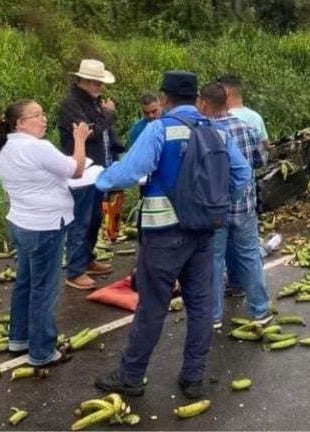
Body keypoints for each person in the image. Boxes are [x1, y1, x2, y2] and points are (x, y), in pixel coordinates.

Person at [92, 71, 251, 399]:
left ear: (164, 99)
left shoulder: (159, 129)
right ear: (196, 98)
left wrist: (100, 182)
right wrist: (218, 205)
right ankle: (193, 377)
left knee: (152, 305)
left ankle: (131, 375)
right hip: (204, 231)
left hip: (164, 234)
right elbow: (242, 173)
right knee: (201, 302)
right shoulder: (217, 131)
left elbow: (129, 172)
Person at [0, 99, 90, 367]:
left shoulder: (4, 147)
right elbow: (76, 169)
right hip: (46, 226)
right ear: (20, 123)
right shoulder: (37, 147)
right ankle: (43, 352)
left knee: (25, 283)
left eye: (43, 114)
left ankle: (19, 339)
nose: (43, 119)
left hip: (21, 223)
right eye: (36, 115)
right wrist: (80, 139)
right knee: (44, 289)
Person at [198, 83, 273, 329]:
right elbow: (261, 161)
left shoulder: (203, 132)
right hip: (245, 206)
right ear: (227, 101)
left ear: (204, 103)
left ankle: (214, 317)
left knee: (215, 260)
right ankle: (261, 312)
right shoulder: (247, 128)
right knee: (250, 256)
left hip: (215, 209)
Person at [58, 59, 124, 290]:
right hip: (82, 172)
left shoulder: (94, 103)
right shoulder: (71, 105)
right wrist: (108, 114)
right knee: (81, 220)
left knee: (95, 218)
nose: (100, 88)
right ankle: (75, 270)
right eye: (97, 83)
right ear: (84, 81)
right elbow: (90, 134)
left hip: (99, 170)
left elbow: (105, 134)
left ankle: (87, 259)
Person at [215, 74, 281, 296]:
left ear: (226, 93)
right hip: (246, 196)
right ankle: (259, 306)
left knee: (222, 251)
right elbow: (265, 151)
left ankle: (233, 283)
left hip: (219, 199)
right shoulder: (255, 118)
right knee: (249, 251)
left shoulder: (214, 121)